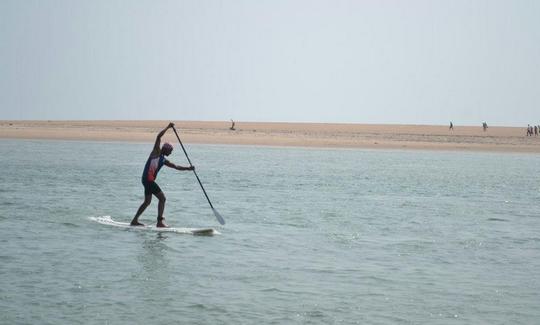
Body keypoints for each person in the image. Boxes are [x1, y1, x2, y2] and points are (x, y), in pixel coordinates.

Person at [130, 122, 194, 227]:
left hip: (147, 180)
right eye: (170, 151)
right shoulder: (156, 152)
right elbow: (158, 136)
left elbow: (176, 167)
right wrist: (168, 127)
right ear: (166, 149)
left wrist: (188, 168)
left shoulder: (164, 160)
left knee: (147, 202)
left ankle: (134, 220)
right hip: (148, 180)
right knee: (162, 198)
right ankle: (159, 222)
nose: (171, 153)